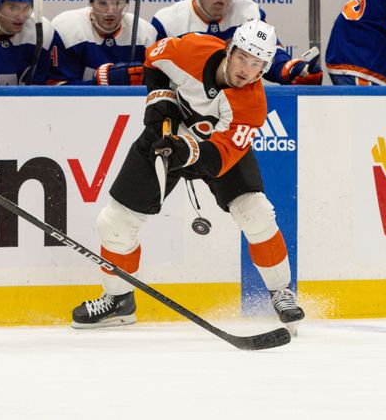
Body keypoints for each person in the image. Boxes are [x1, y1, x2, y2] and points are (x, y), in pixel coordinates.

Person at [71, 19, 306, 329]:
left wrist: (186, 149)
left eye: (257, 64)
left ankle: (280, 291)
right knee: (115, 223)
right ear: (230, 49)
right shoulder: (192, 49)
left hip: (213, 150)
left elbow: (219, 159)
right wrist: (161, 100)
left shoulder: (252, 105)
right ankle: (119, 300)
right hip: (163, 138)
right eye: (242, 57)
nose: (247, 70)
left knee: (255, 212)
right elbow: (153, 59)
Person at [152, 0, 323, 85]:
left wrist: (291, 69)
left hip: (236, 100)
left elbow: (270, 55)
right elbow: (154, 73)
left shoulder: (249, 13)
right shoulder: (167, 22)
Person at [49, 0, 157, 85]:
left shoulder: (145, 34)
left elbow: (157, 86)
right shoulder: (67, 29)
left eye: (118, 2)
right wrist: (98, 82)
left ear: (126, 1)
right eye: (103, 3)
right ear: (91, 1)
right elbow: (57, 88)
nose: (111, 11)